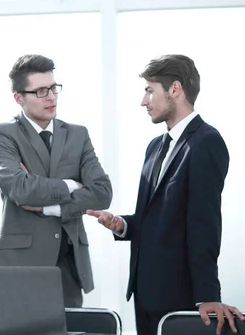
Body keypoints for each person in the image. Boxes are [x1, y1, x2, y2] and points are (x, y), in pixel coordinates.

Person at [87, 54, 244, 335]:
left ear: (175, 89)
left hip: (179, 295)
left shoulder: (206, 142)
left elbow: (204, 222)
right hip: (144, 294)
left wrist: (208, 295)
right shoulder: (155, 147)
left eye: (149, 90)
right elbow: (159, 219)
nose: (143, 101)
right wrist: (122, 225)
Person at [0, 54, 112, 307]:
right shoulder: (3, 134)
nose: (52, 97)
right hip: (21, 264)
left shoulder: (78, 134)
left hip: (69, 262)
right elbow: (19, 189)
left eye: (54, 89)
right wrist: (71, 185)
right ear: (19, 98)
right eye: (41, 91)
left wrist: (50, 206)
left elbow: (102, 192)